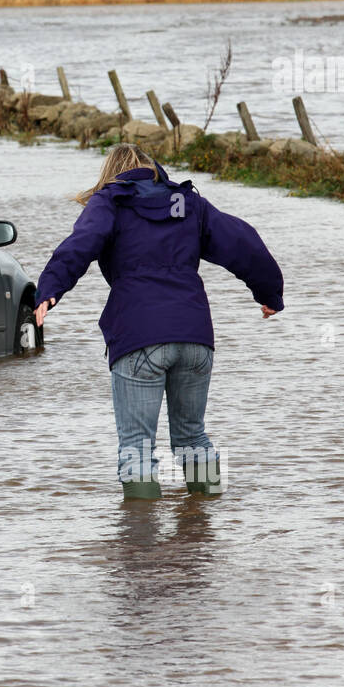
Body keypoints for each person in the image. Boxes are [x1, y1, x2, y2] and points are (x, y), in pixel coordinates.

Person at [33, 143, 284, 500]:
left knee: (137, 447)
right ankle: (204, 524)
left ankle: (139, 545)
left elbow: (82, 243)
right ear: (154, 169)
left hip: (139, 334)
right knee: (192, 437)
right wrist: (269, 294)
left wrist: (50, 289)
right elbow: (242, 242)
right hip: (195, 336)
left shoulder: (110, 201)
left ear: (111, 173)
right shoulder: (186, 203)